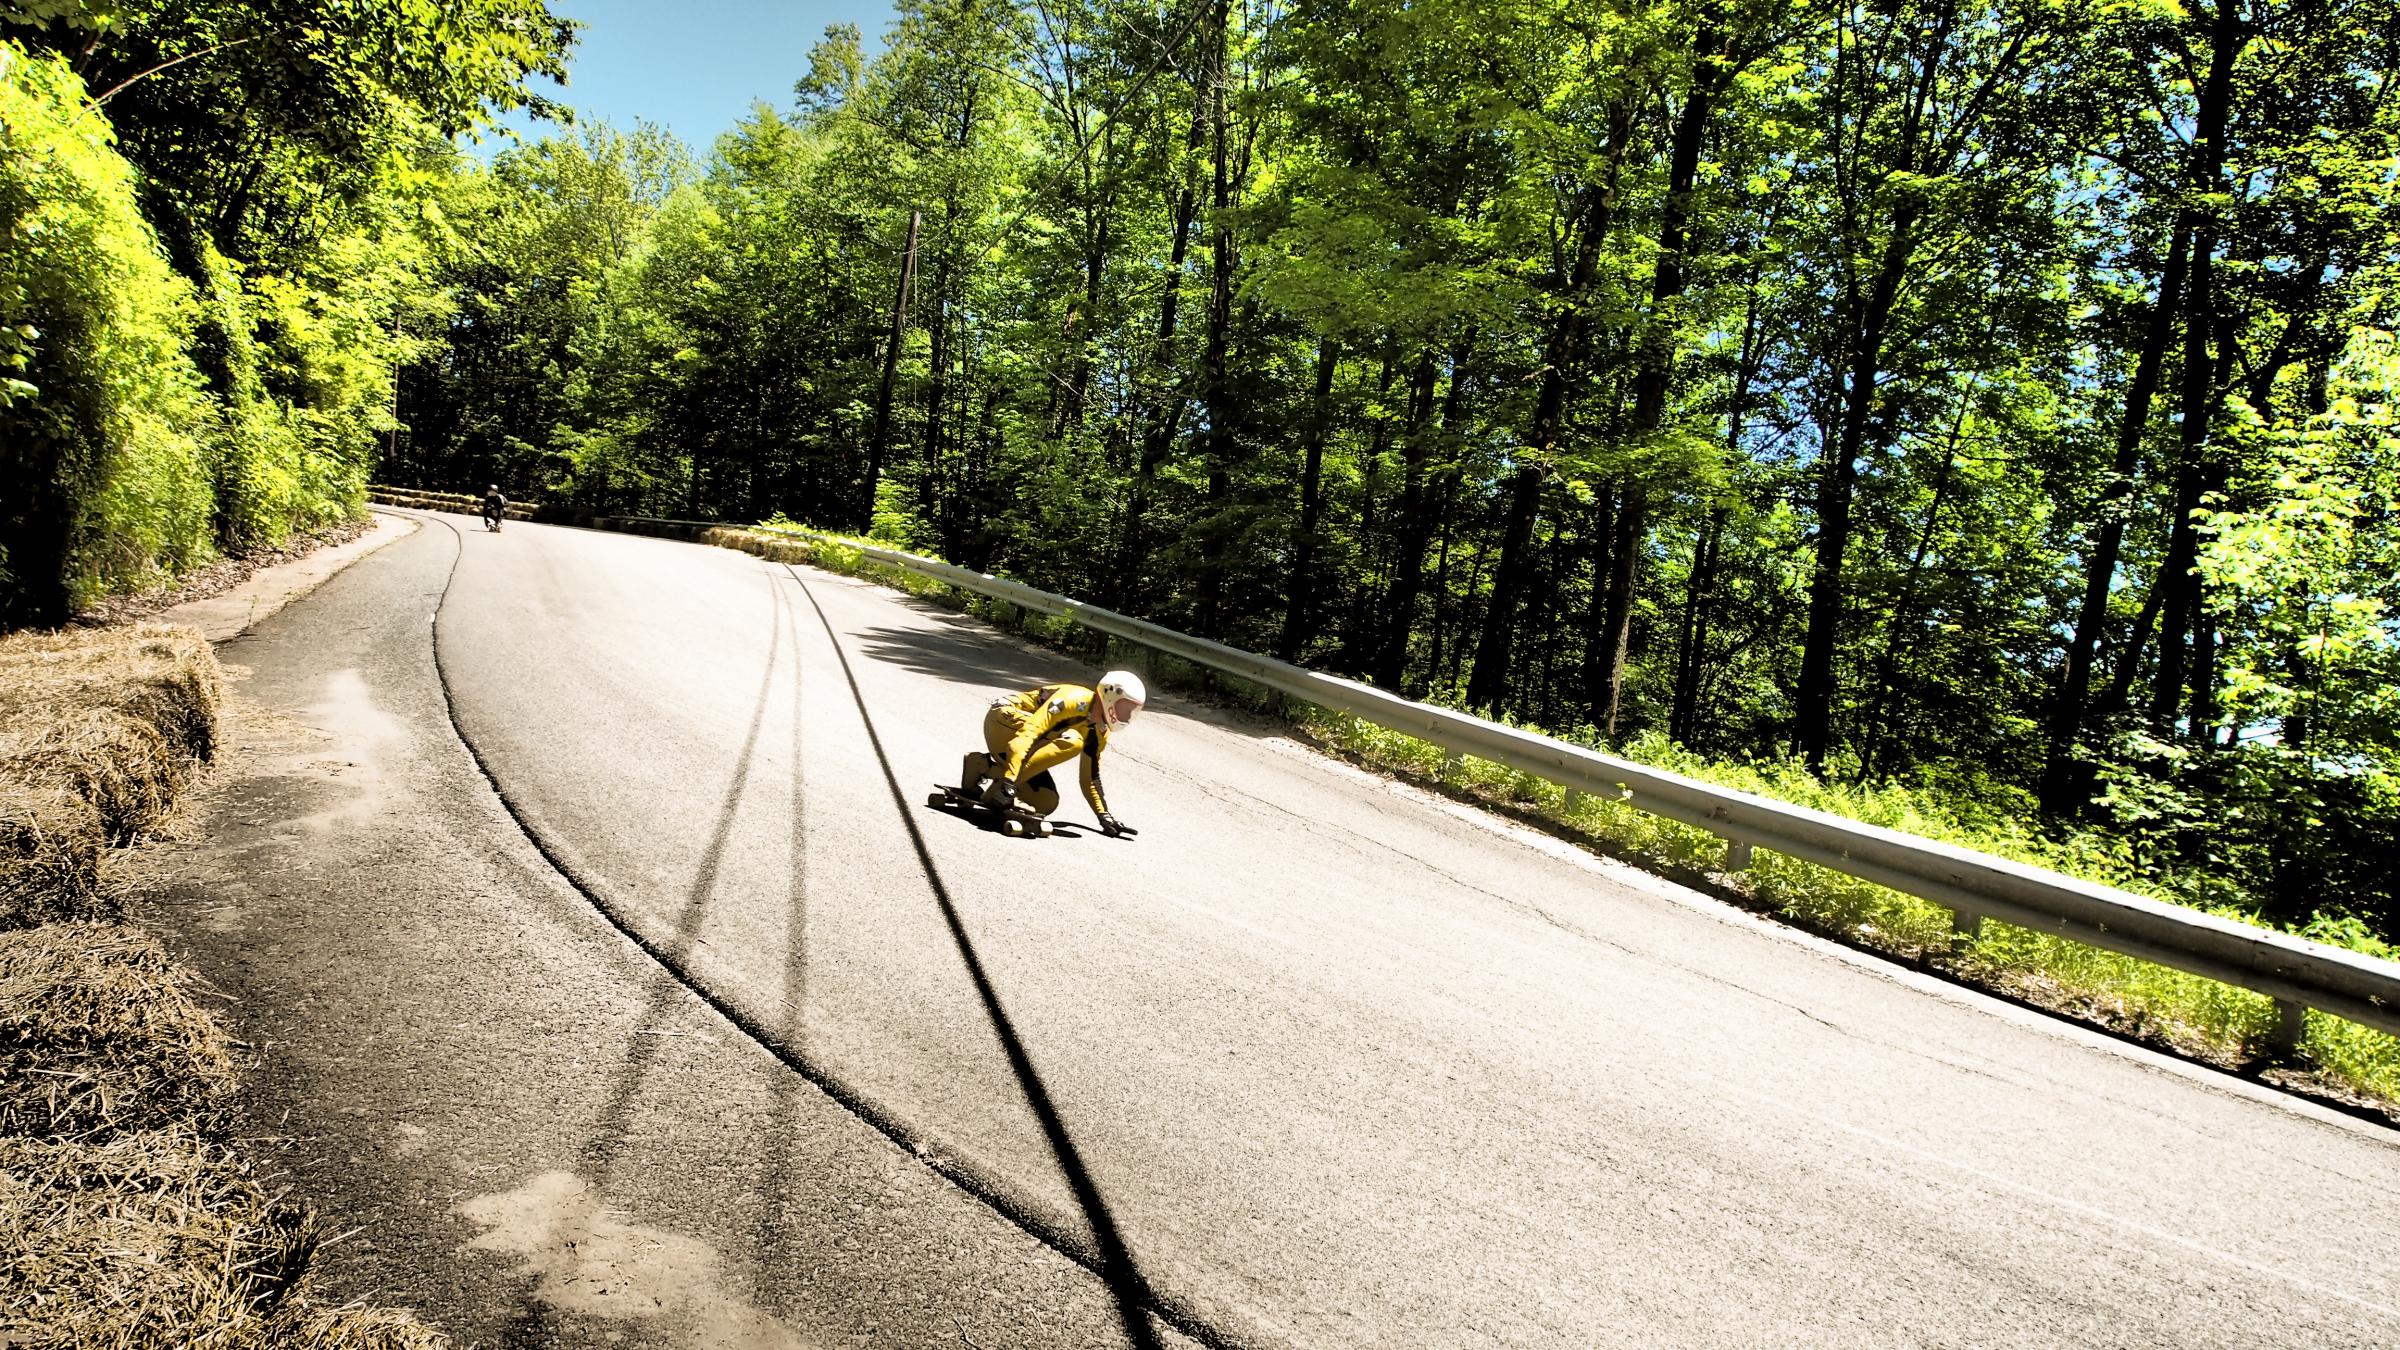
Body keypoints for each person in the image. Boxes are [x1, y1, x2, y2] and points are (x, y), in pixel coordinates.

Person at [960, 670, 1144, 837]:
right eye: (1124, 708)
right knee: (1073, 741)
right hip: (1003, 719)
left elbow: (1090, 777)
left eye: (1131, 712)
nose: (1126, 717)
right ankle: (999, 781)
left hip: (1026, 741)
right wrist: (1009, 781)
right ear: (1109, 695)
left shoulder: (1100, 731)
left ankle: (982, 765)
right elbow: (1028, 734)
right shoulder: (1072, 699)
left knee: (1047, 803)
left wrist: (1105, 816)